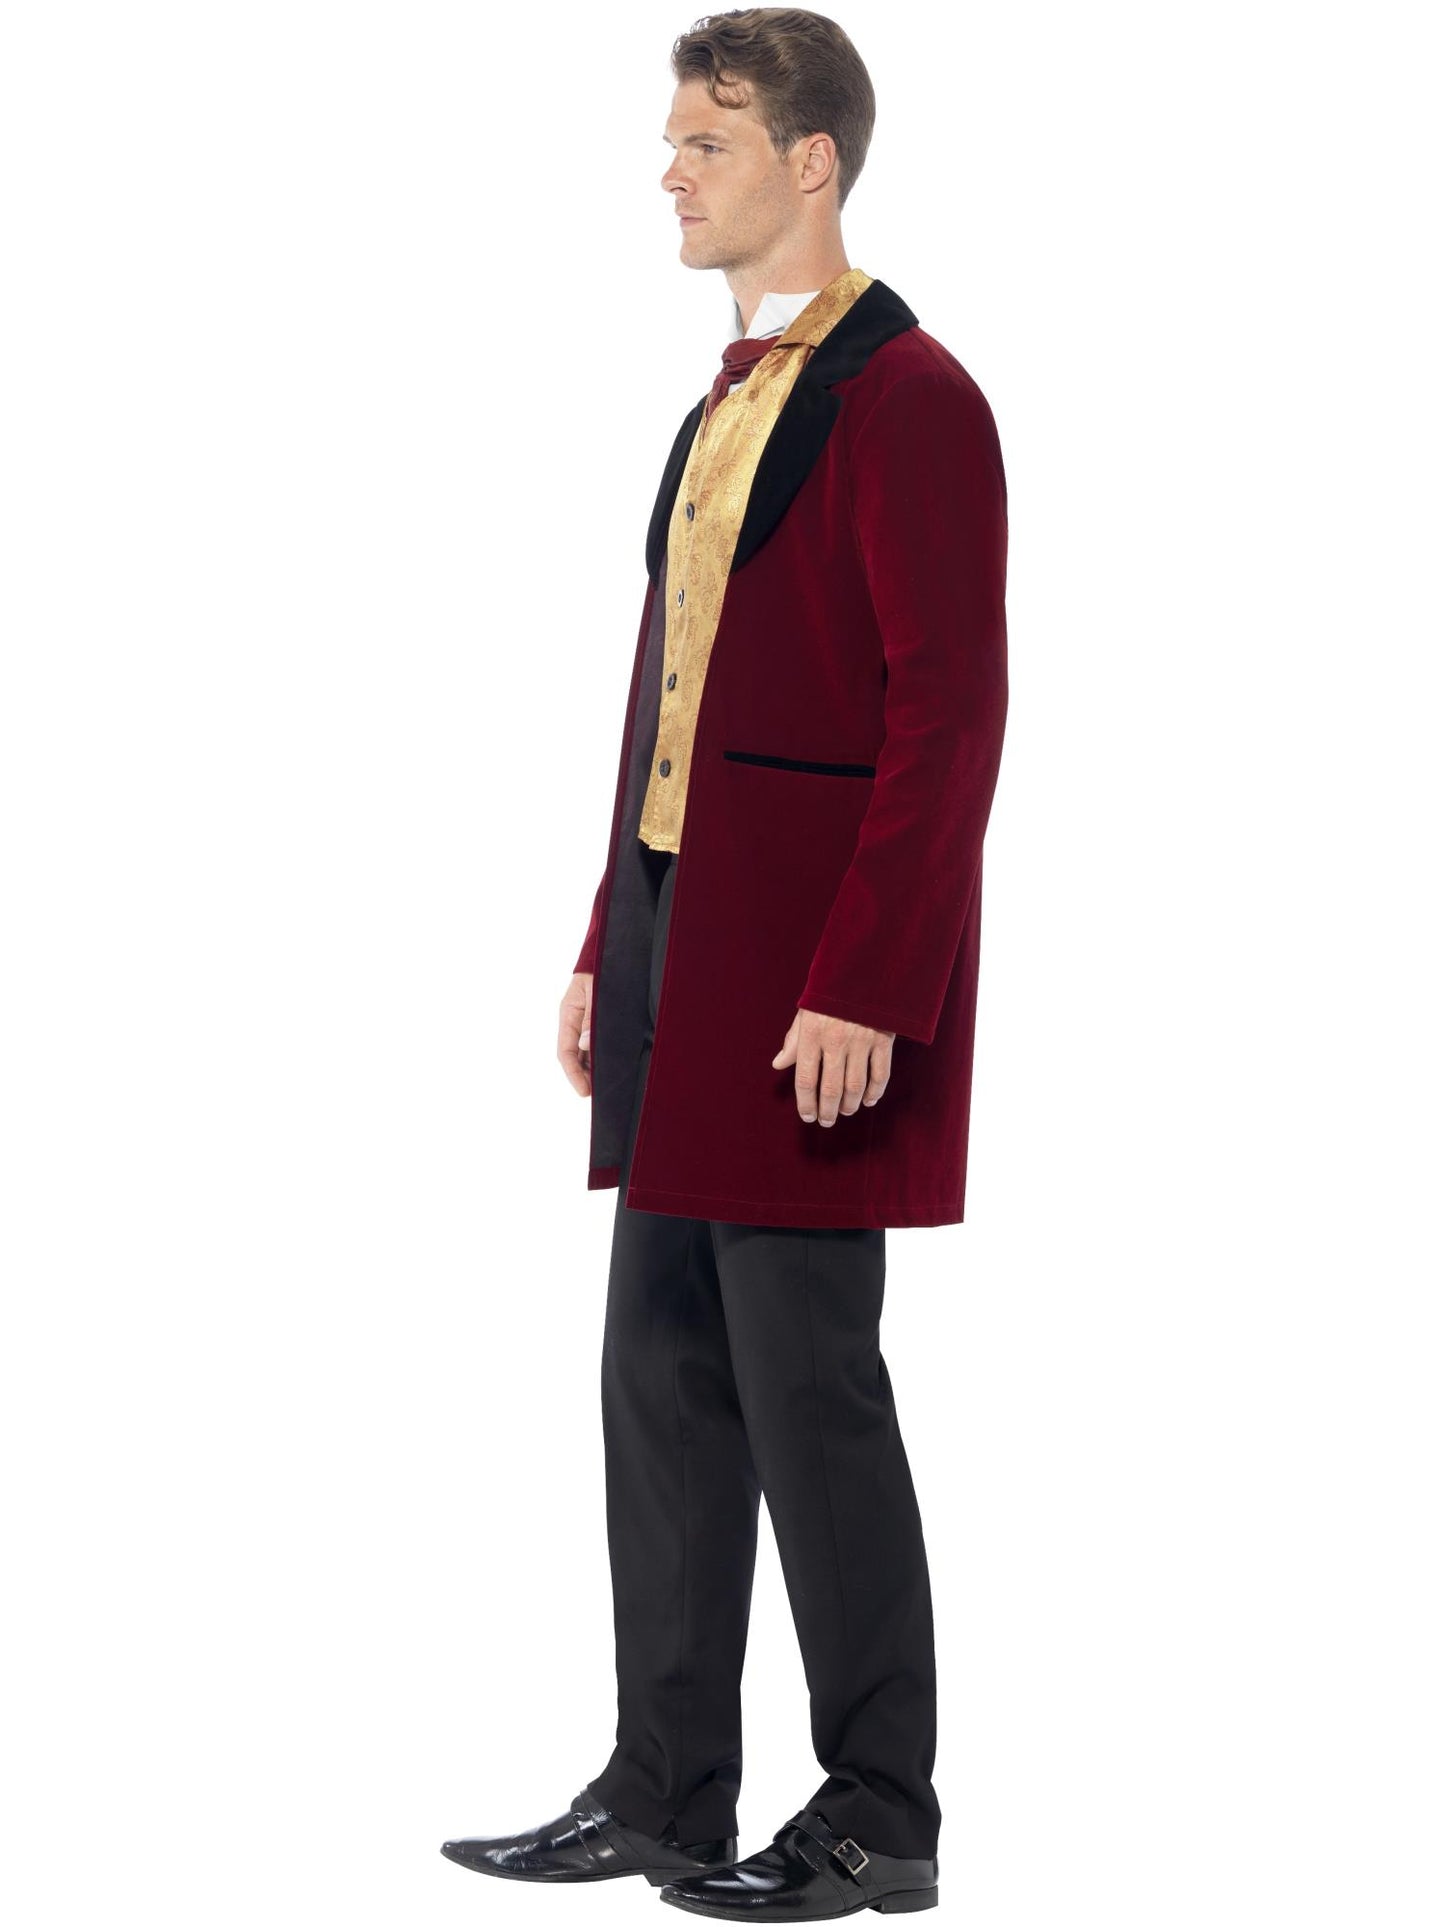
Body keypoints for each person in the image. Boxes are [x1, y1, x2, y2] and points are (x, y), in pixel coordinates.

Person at [441, 10, 1008, 1918]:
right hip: (685, 946)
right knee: (663, 1371)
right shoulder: (714, 408)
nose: (669, 172)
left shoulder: (913, 398)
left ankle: (881, 1815)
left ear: (809, 160)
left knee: (805, 1385)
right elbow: (667, 694)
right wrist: (609, 936)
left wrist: (869, 982)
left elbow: (948, 714)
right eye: (672, 139)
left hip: (808, 977)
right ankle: (667, 1786)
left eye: (707, 140)